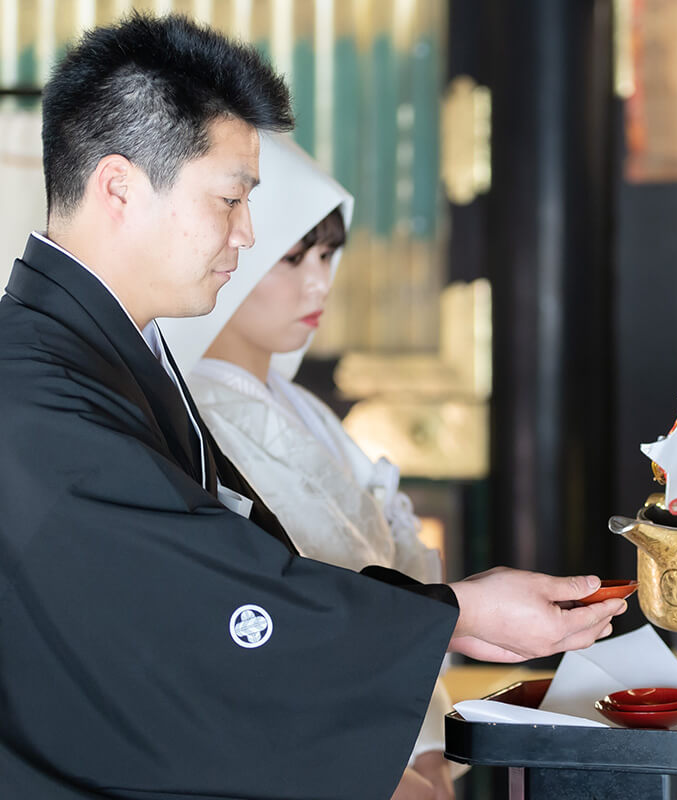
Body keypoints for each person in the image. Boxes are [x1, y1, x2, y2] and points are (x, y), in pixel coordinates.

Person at [0, 14, 625, 799]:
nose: (246, 234)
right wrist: (455, 613)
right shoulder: (34, 391)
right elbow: (209, 603)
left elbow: (243, 573)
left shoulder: (109, 359)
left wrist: (451, 613)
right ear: (119, 186)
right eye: (230, 200)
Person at [158, 132, 457, 799]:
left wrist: (430, 752)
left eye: (328, 254)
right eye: (293, 258)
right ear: (237, 250)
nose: (320, 280)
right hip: (311, 757)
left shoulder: (310, 412)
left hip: (404, 731)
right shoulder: (192, 421)